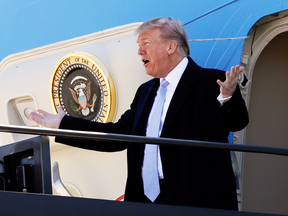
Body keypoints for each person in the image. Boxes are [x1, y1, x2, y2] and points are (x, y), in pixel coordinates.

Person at [30, 17, 248, 210]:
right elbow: (117, 136)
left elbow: (236, 122)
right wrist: (63, 123)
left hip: (196, 201)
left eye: (146, 43)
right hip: (145, 202)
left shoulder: (212, 82)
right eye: (139, 45)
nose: (139, 51)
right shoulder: (145, 91)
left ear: (171, 46)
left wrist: (227, 97)